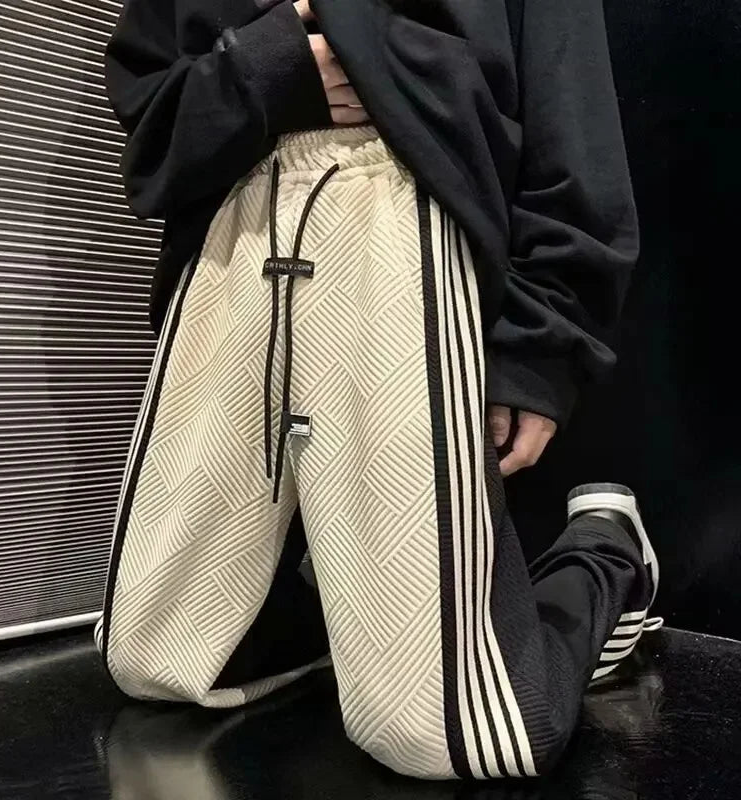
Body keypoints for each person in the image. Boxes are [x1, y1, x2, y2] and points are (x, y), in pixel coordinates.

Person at [96, 0, 661, 781]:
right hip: (232, 231)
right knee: (157, 661)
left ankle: (608, 550)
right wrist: (268, 69)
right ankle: (361, 619)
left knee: (457, 732)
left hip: (406, 215)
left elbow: (572, 113)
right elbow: (149, 114)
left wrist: (541, 347)